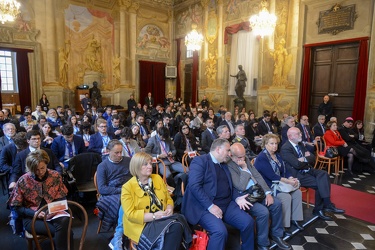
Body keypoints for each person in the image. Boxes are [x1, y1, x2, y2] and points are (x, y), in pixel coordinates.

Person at [182, 138, 255, 250]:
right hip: (204, 206)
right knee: (220, 232)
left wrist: (237, 199)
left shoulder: (224, 164)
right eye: (227, 150)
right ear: (218, 149)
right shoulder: (200, 161)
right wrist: (210, 206)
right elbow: (194, 186)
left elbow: (229, 186)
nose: (229, 154)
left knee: (248, 222)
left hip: (226, 203)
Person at [121, 152, 192, 249]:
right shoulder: (127, 187)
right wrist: (154, 216)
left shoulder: (157, 178)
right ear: (136, 166)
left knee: (177, 225)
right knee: (176, 226)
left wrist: (170, 208)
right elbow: (131, 215)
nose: (150, 166)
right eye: (145, 164)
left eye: (150, 163)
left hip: (162, 218)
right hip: (142, 225)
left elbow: (168, 198)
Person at [228, 143, 292, 250]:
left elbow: (257, 175)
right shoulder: (229, 164)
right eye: (239, 157)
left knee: (276, 204)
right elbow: (240, 186)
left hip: (257, 192)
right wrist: (244, 169)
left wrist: (267, 193)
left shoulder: (245, 159)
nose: (243, 159)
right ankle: (262, 242)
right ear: (231, 155)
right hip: (245, 197)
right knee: (263, 212)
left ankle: (276, 235)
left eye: (244, 155)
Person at [8, 149, 72, 250]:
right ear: (30, 168)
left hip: (52, 213)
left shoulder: (55, 176)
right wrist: (34, 213)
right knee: (66, 231)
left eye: (42, 168)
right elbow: (16, 207)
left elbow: (62, 197)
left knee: (64, 222)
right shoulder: (23, 180)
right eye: (36, 170)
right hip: (31, 217)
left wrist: (52, 210)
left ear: (47, 164)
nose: (40, 172)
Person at [280, 127, 345, 220]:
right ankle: (320, 209)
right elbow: (297, 164)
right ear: (290, 136)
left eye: (300, 133)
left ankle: (327, 204)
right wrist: (304, 159)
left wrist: (303, 159)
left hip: (307, 169)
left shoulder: (300, 144)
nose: (301, 135)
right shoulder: (286, 148)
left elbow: (313, 158)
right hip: (297, 174)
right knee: (319, 184)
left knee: (324, 174)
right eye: (298, 133)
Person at [254, 135, 304, 233]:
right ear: (265, 144)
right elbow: (272, 176)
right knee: (286, 197)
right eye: (271, 143)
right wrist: (289, 181)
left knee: (297, 193)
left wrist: (290, 177)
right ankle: (284, 225)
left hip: (280, 183)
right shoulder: (262, 157)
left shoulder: (277, 155)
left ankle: (295, 219)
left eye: (276, 143)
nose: (275, 146)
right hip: (268, 186)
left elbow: (285, 170)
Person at [96, 140, 132, 234]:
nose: (119, 155)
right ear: (108, 151)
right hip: (113, 191)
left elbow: (136, 177)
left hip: (129, 187)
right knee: (121, 202)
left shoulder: (128, 160)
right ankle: (121, 231)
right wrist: (121, 190)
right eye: (116, 152)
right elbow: (102, 189)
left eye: (121, 152)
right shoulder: (102, 166)